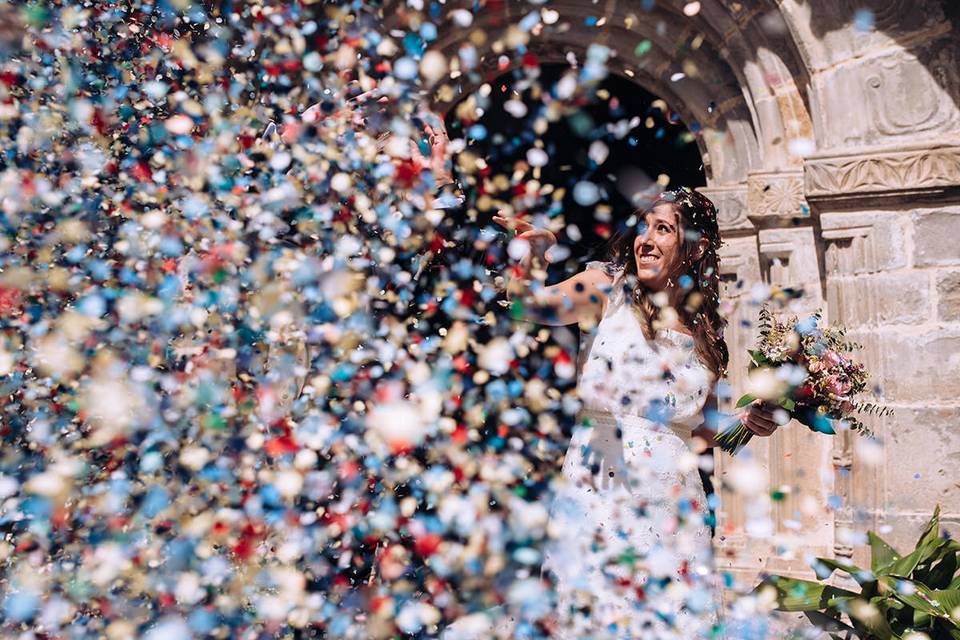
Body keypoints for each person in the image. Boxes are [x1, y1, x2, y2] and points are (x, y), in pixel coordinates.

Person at [489, 188, 781, 638]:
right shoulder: (609, 287)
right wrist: (535, 254)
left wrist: (747, 424)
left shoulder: (708, 330)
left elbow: (700, 430)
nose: (644, 238)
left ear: (696, 246)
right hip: (600, 489)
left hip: (672, 504)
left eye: (663, 228)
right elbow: (530, 305)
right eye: (643, 226)